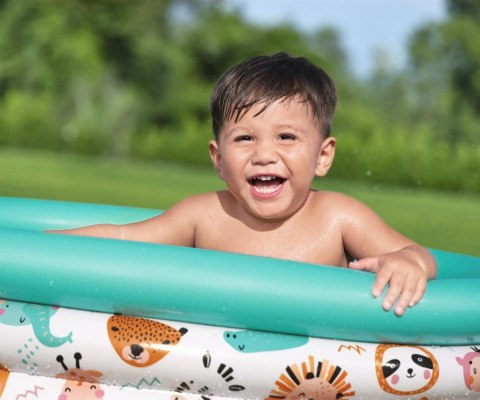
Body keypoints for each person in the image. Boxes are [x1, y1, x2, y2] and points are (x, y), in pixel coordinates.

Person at [49, 52, 437, 316]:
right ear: (219, 159)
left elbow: (419, 254)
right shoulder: (205, 215)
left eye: (286, 137)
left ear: (323, 156)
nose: (264, 154)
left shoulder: (338, 217)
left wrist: (408, 262)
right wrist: (41, 246)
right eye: (245, 138)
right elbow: (122, 238)